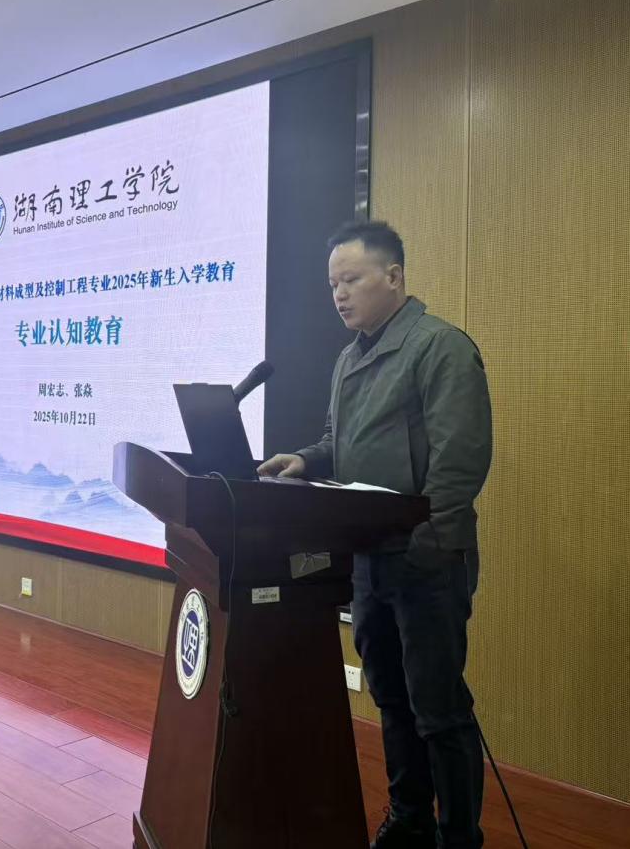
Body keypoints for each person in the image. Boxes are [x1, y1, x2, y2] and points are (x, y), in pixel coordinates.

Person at [258, 221, 492, 848]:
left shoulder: (440, 348)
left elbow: (460, 463)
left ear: (393, 276)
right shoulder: (349, 358)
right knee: (389, 696)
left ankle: (459, 838)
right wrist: (305, 459)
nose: (339, 294)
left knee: (438, 709)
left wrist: (426, 546)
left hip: (427, 561)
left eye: (351, 280)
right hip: (369, 558)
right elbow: (340, 443)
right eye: (332, 283)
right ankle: (410, 819)